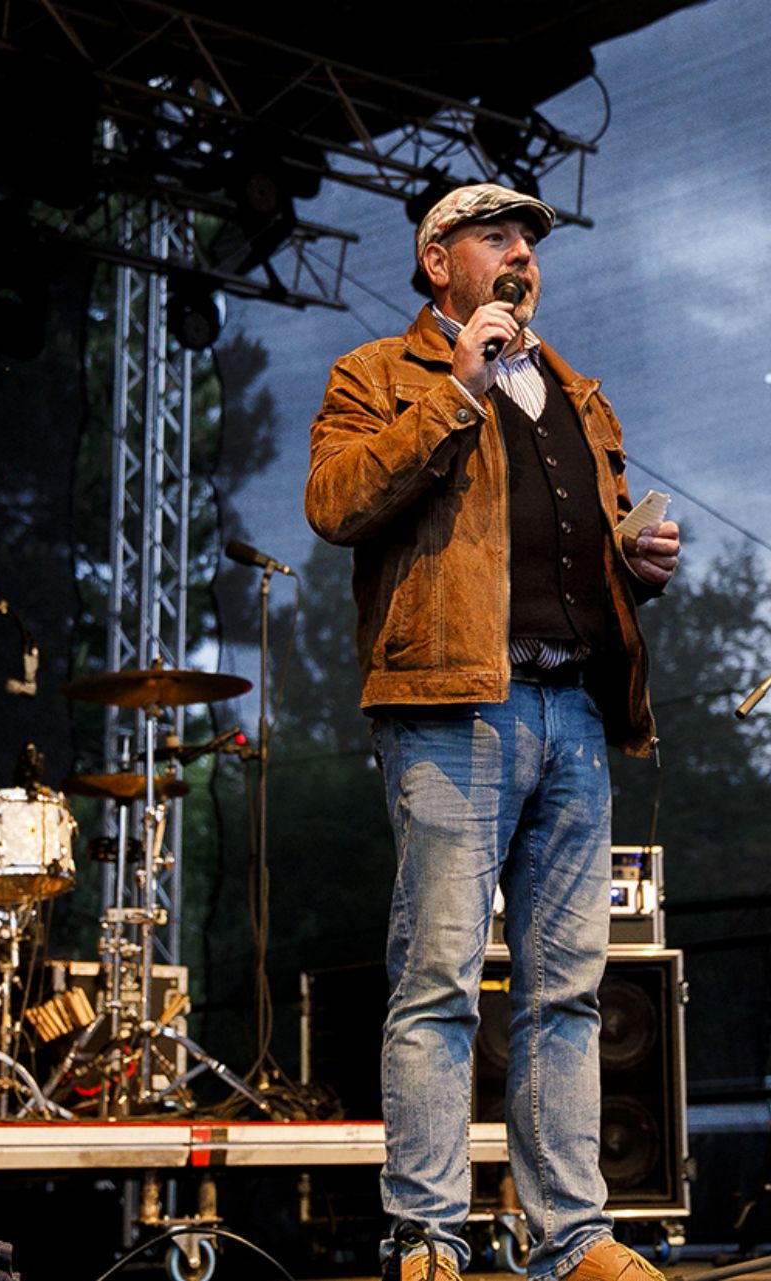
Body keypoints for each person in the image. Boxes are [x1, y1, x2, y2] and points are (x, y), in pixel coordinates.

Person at [306, 183, 681, 1281]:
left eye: (529, 242)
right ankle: (427, 1234)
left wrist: (633, 562)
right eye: (496, 236)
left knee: (568, 991)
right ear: (439, 261)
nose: (521, 254)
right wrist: (457, 388)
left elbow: (562, 551)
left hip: (575, 710)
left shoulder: (576, 391)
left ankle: (574, 1237)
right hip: (454, 706)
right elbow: (335, 503)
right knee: (440, 981)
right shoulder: (379, 374)